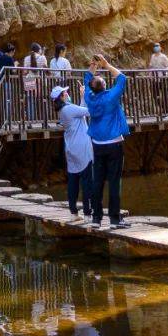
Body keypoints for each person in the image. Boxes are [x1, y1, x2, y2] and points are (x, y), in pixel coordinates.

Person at [84, 54, 130, 227]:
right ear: (104, 86)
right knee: (114, 182)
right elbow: (122, 78)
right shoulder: (111, 97)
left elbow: (87, 78)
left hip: (97, 144)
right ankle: (114, 219)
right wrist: (106, 64)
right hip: (114, 144)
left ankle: (96, 219)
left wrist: (93, 67)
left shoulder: (89, 97)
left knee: (98, 181)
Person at [52, 85, 93, 218]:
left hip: (71, 148)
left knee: (73, 181)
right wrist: (88, 96)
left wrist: (82, 96)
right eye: (66, 92)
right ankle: (87, 213)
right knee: (87, 181)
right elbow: (89, 111)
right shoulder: (69, 108)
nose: (68, 93)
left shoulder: (63, 110)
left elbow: (81, 112)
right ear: (63, 96)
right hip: (81, 147)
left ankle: (73, 212)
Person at [22, 42, 48, 123]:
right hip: (39, 80)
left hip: (29, 79)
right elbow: (46, 70)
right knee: (41, 99)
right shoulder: (42, 58)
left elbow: (25, 71)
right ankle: (42, 120)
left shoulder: (26, 58)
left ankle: (31, 120)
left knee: (30, 100)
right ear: (39, 50)